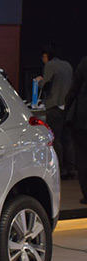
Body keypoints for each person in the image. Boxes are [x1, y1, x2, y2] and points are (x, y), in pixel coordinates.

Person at [35, 44, 75, 179]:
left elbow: (45, 83)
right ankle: (71, 168)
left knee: (55, 137)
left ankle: (61, 169)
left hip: (55, 105)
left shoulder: (50, 66)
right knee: (67, 139)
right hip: (68, 106)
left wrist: (39, 81)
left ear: (45, 56)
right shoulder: (67, 65)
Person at [65, 56, 87, 204]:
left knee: (83, 157)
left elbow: (73, 90)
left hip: (82, 119)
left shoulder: (85, 62)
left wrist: (67, 111)